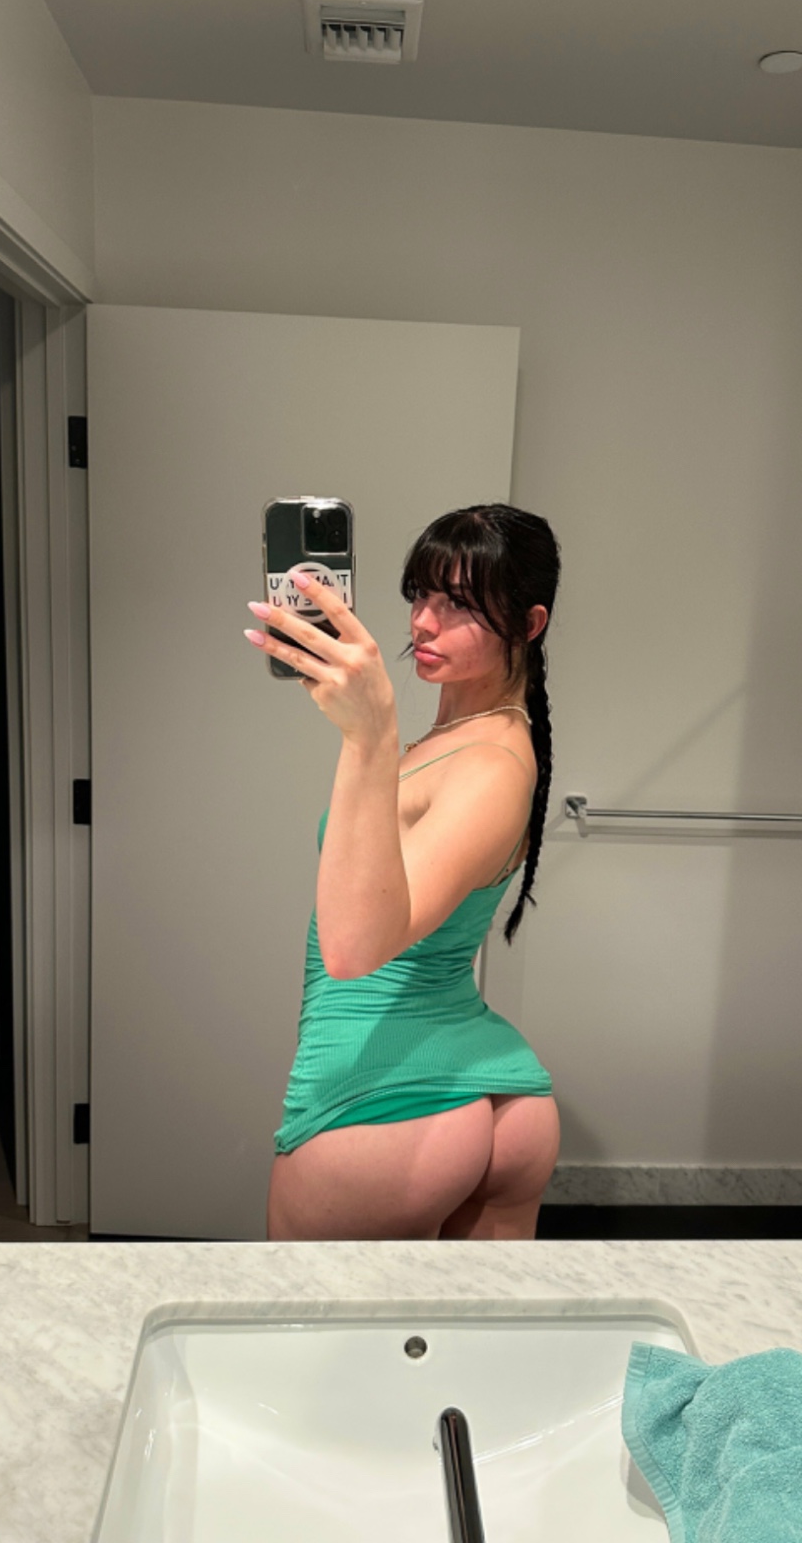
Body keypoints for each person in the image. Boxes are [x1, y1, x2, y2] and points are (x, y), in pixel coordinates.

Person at [244, 503, 561, 1239]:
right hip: (483, 1080)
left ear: (529, 624)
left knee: (308, 1314)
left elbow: (353, 950)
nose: (423, 622)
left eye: (460, 604)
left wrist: (370, 733)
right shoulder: (463, 739)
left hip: (390, 1099)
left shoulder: (492, 764)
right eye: (421, 594)